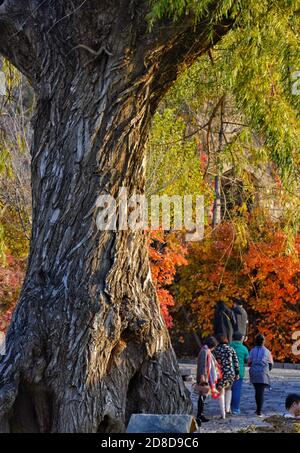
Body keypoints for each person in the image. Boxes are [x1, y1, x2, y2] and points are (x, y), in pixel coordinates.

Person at [214, 334, 240, 419]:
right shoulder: (231, 349)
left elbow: (213, 362)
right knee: (229, 389)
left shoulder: (216, 350)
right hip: (230, 372)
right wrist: (237, 373)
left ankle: (223, 413)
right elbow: (236, 362)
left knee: (221, 392)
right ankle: (228, 409)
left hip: (220, 373)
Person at [248, 333, 273, 417]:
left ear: (255, 341)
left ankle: (257, 409)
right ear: (263, 342)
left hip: (254, 373)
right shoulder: (267, 352)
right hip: (263, 373)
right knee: (261, 392)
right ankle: (259, 411)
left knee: (257, 391)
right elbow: (271, 364)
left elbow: (249, 362)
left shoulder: (252, 350)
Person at [196, 336, 219, 425]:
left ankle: (201, 414)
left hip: (206, 375)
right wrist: (202, 376)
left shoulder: (206, 351)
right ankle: (199, 415)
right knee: (202, 395)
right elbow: (202, 364)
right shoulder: (204, 352)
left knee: (204, 396)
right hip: (203, 376)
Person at [229, 332, 249, 415]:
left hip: (228, 371)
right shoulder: (244, 348)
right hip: (239, 372)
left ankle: (227, 407)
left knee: (227, 390)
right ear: (241, 339)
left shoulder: (229, 346)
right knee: (236, 391)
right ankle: (235, 409)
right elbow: (247, 360)